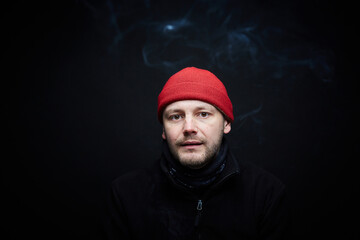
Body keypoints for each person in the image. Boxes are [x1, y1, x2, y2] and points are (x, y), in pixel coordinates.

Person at [103, 67, 290, 240]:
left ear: (226, 123)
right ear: (163, 130)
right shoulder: (126, 194)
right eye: (176, 116)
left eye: (203, 114)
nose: (189, 128)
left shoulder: (266, 193)